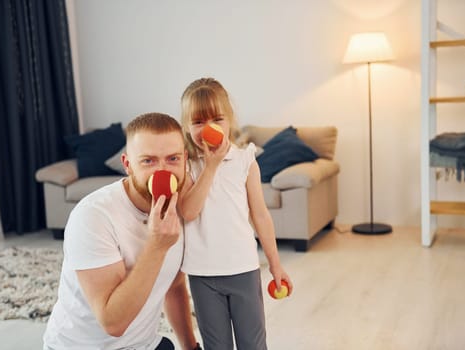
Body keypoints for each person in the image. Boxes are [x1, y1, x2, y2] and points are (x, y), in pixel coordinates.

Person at [43, 113, 201, 350]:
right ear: (127, 165)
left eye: (172, 159)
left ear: (185, 160)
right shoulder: (93, 216)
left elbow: (174, 285)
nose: (163, 171)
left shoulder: (180, 207)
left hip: (143, 345)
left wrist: (191, 348)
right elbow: (113, 323)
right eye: (148, 161)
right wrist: (157, 246)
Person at [178, 77, 293, 350]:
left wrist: (275, 264)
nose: (209, 129)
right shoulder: (187, 165)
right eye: (198, 122)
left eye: (217, 119)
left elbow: (261, 216)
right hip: (203, 274)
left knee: (252, 344)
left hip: (243, 269)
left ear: (230, 120)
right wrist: (210, 167)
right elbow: (188, 211)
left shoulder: (245, 160)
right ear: (186, 126)